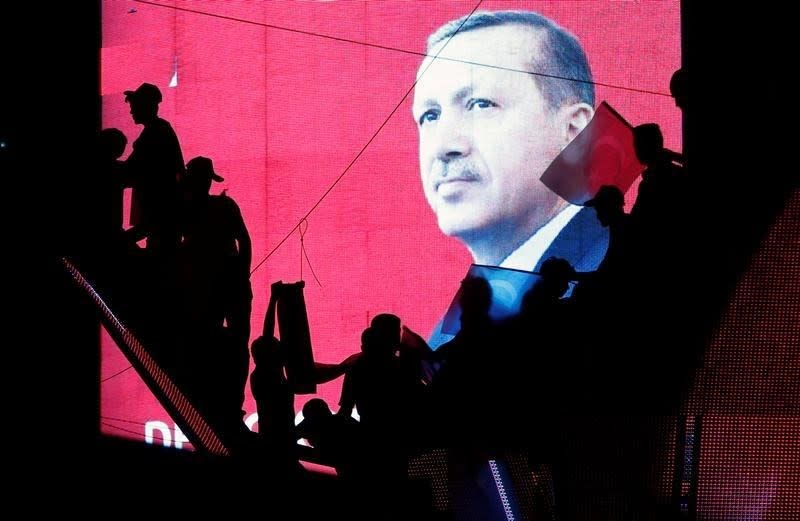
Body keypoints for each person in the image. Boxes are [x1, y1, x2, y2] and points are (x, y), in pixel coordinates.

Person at [412, 10, 609, 347]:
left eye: (479, 104)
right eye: (429, 116)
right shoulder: (444, 339)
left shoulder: (616, 274)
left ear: (574, 130)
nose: (444, 146)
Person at [123, 82, 185, 254]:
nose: (131, 110)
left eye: (134, 105)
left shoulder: (155, 133)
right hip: (159, 218)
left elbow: (131, 169)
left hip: (160, 217)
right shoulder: (157, 130)